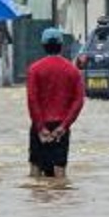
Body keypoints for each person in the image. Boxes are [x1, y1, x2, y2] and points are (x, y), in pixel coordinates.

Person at [26, 28, 85, 178]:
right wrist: (63, 127)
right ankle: (61, 201)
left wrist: (40, 128)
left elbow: (32, 100)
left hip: (40, 127)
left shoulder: (34, 69)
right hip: (61, 127)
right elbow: (78, 101)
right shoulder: (73, 71)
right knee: (60, 172)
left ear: (43, 45)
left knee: (35, 171)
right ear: (61, 45)